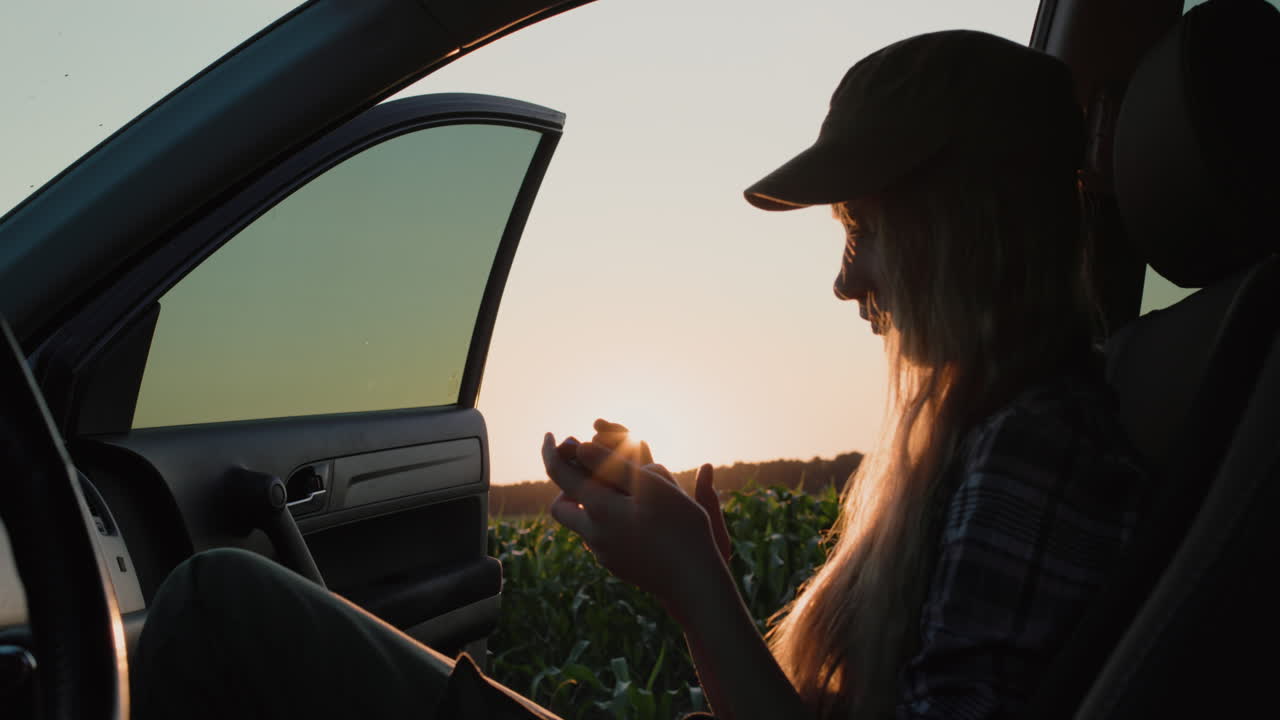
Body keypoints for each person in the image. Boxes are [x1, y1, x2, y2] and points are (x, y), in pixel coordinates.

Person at [132, 29, 1148, 720]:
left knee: (217, 608)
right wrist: (699, 590)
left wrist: (696, 587)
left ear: (956, 227)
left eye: (866, 231)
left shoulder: (1033, 453)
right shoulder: (996, 433)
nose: (847, 281)